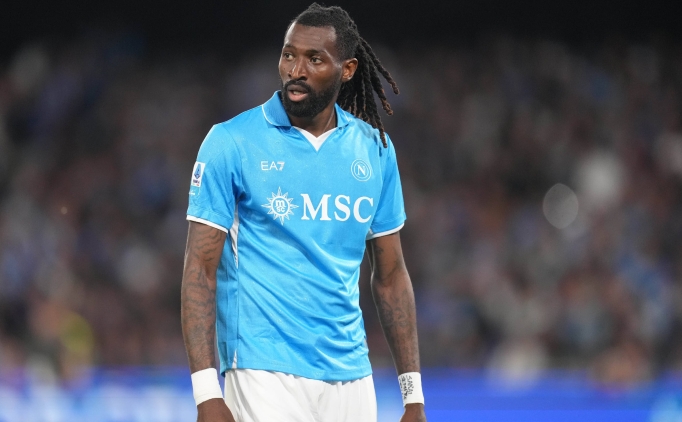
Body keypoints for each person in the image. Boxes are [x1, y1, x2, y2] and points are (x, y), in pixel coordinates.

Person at [181, 3, 426, 422]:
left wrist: (413, 396)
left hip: (353, 378)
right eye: (288, 55)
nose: (296, 70)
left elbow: (390, 277)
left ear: (347, 70)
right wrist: (206, 393)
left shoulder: (374, 150)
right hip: (262, 372)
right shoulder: (230, 142)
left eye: (315, 59)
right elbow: (199, 269)